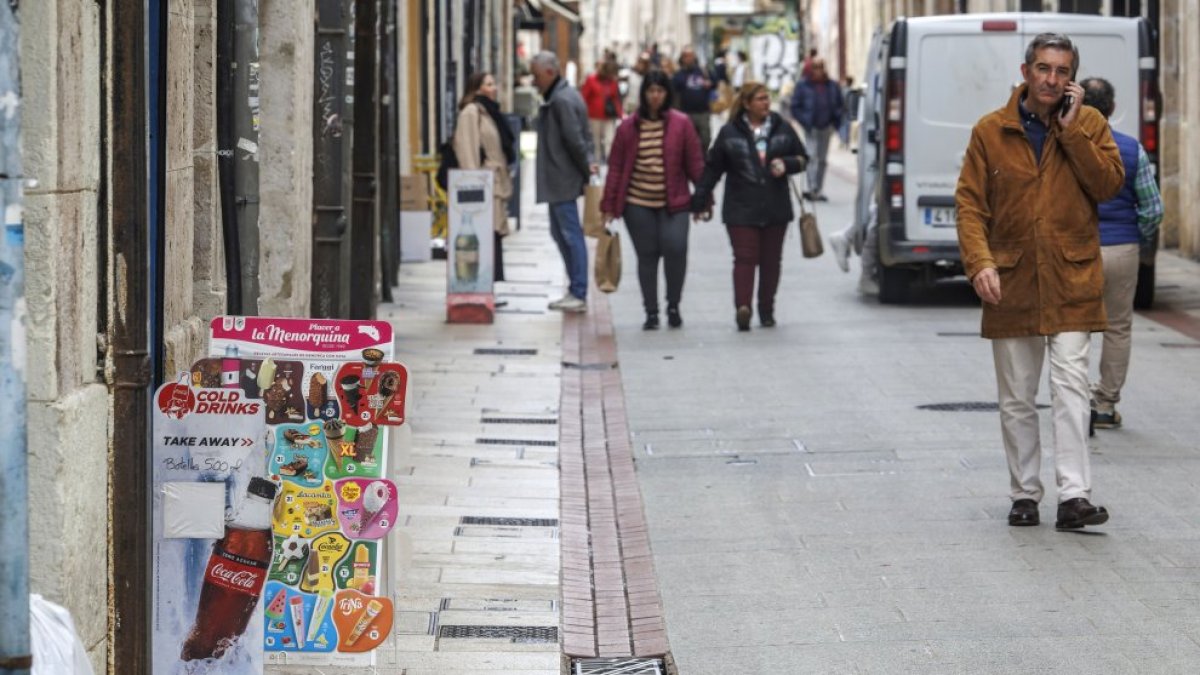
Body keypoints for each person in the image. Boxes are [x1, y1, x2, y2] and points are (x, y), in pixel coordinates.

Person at [955, 33, 1125, 530]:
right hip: (1011, 281)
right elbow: (969, 204)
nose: (1053, 79)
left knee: (1071, 385)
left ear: (1072, 78)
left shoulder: (1090, 123)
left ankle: (1074, 496)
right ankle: (1024, 494)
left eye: (1063, 71)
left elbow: (1108, 185)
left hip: (1072, 278)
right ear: (1026, 71)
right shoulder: (990, 131)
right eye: (1044, 68)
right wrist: (979, 262)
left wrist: (1072, 132)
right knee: (1017, 395)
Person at [1080, 77, 1164, 430]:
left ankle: (1076, 397)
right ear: (1112, 109)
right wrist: (1137, 237)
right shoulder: (1131, 148)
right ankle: (1104, 405)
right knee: (1117, 328)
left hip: (1079, 250)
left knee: (1074, 327)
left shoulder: (1068, 144)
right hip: (1122, 249)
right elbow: (1153, 208)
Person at [691, 82, 808, 331]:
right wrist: (700, 199)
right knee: (744, 258)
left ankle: (767, 309)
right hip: (740, 208)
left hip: (776, 207)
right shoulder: (729, 133)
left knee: (770, 261)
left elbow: (803, 158)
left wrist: (786, 164)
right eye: (760, 99)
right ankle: (743, 307)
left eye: (767, 98)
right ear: (746, 104)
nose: (766, 103)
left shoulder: (782, 128)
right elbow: (713, 169)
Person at [600, 70, 705, 330]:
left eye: (660, 91)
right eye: (650, 91)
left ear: (667, 94)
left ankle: (673, 304)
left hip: (676, 201)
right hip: (638, 203)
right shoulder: (627, 128)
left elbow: (695, 164)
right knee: (647, 256)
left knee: (676, 249)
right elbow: (615, 167)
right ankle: (651, 311)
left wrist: (703, 200)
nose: (655, 96)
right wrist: (608, 205)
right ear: (644, 94)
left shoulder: (682, 124)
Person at [530, 51, 596, 313]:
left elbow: (575, 140)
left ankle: (578, 291)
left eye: (536, 76)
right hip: (561, 178)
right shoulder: (562, 96)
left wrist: (586, 172)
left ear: (550, 72)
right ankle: (575, 288)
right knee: (561, 234)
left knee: (570, 235)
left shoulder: (562, 100)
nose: (534, 82)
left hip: (563, 179)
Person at [453, 72, 517, 296]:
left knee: (493, 236)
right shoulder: (471, 113)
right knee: (483, 235)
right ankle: (480, 288)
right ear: (477, 88)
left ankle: (487, 288)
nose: (494, 88)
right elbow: (467, 150)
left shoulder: (489, 113)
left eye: (493, 83)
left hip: (495, 183)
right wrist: (473, 184)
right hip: (483, 185)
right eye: (489, 84)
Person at [790, 58, 844, 201]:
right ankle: (812, 187)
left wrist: (836, 121)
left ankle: (818, 189)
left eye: (821, 67)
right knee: (812, 156)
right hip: (811, 127)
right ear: (810, 70)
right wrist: (804, 121)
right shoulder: (803, 86)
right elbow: (795, 106)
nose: (818, 71)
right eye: (815, 68)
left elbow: (840, 105)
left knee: (822, 159)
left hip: (827, 126)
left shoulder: (832, 85)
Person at [671, 47, 716, 151]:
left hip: (703, 112)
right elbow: (674, 89)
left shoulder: (703, 71)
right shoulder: (679, 75)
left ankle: (702, 157)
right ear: (682, 58)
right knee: (688, 140)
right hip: (687, 113)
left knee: (706, 139)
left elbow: (715, 81)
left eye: (691, 55)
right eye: (686, 56)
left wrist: (710, 83)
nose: (689, 58)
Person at [580, 57, 623, 163]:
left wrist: (620, 114)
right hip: (594, 116)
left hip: (609, 116)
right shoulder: (591, 80)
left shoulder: (612, 82)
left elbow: (616, 98)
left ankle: (611, 162)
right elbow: (584, 97)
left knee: (610, 139)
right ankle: (597, 163)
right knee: (596, 141)